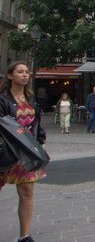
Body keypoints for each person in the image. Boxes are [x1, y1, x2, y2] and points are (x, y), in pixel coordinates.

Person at [0, 61, 47, 242]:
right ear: (10, 76)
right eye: (20, 72)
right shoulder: (2, 99)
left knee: (27, 192)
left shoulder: (30, 99)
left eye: (27, 72)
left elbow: (37, 124)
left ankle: (24, 236)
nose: (25, 75)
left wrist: (40, 141)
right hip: (5, 152)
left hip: (25, 153)